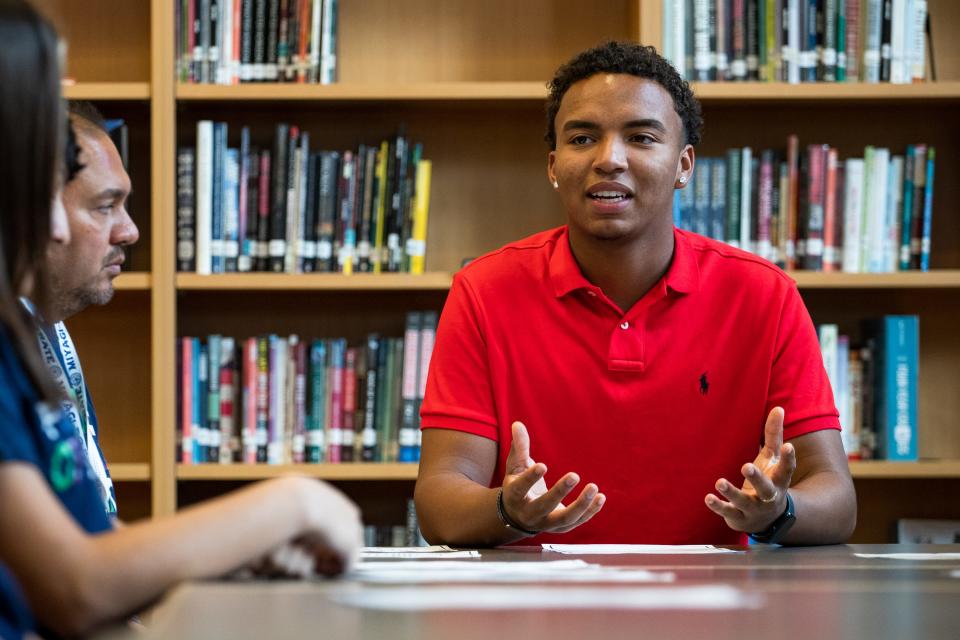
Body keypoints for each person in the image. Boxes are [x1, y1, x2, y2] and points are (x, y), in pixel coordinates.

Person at [0, 3, 362, 637]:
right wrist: (292, 501)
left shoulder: (28, 335)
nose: (130, 232)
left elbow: (91, 547)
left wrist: (225, 556)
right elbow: (74, 587)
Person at [414, 41, 857, 547]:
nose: (609, 159)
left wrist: (779, 511)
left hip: (710, 609)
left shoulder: (764, 294)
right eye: (583, 138)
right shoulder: (484, 291)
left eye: (642, 137)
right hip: (535, 606)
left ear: (684, 165)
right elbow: (439, 503)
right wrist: (507, 509)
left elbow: (837, 500)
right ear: (554, 165)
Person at [26, 100, 140, 519]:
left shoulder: (47, 332)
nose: (130, 231)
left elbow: (89, 539)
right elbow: (77, 573)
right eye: (105, 206)